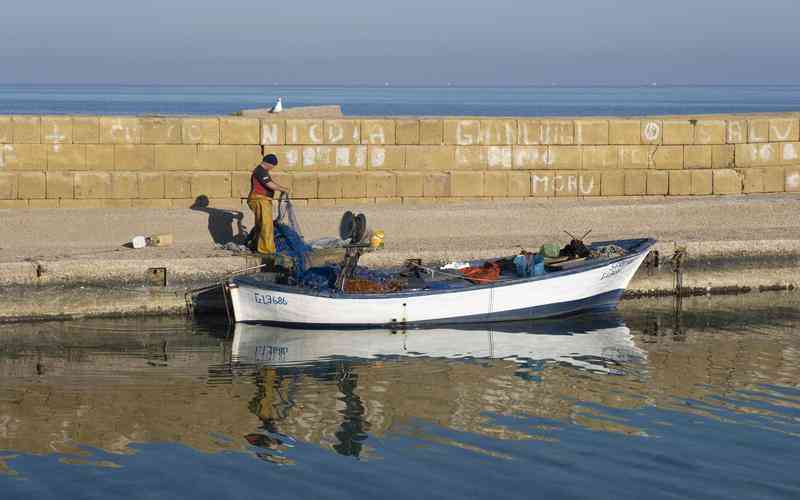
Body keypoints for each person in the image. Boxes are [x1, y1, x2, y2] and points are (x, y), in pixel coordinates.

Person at [247, 154, 290, 254]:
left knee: (260, 224)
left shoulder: (261, 171)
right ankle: (266, 250)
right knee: (267, 225)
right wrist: (284, 189)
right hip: (260, 199)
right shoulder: (261, 171)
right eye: (272, 166)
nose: (272, 168)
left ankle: (256, 245)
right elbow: (269, 184)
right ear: (269, 163)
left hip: (261, 199)